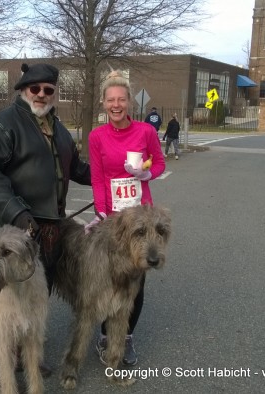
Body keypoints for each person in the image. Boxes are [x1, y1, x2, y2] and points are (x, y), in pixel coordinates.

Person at [0, 63, 91, 375]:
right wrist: (19, 212)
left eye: (48, 90)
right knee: (5, 300)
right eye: (35, 89)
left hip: (51, 229)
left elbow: (77, 169)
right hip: (11, 227)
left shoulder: (60, 130)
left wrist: (115, 179)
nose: (41, 94)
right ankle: (2, 366)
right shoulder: (2, 124)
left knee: (36, 296)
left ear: (54, 94)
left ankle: (30, 358)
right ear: (23, 90)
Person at [85, 70, 166, 366]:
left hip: (141, 216)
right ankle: (107, 335)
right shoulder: (97, 136)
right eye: (110, 100)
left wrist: (147, 173)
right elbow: (96, 177)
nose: (116, 105)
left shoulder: (145, 131)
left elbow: (159, 162)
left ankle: (126, 336)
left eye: (121, 99)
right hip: (112, 220)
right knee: (109, 280)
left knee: (136, 281)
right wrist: (102, 211)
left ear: (129, 101)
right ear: (104, 103)